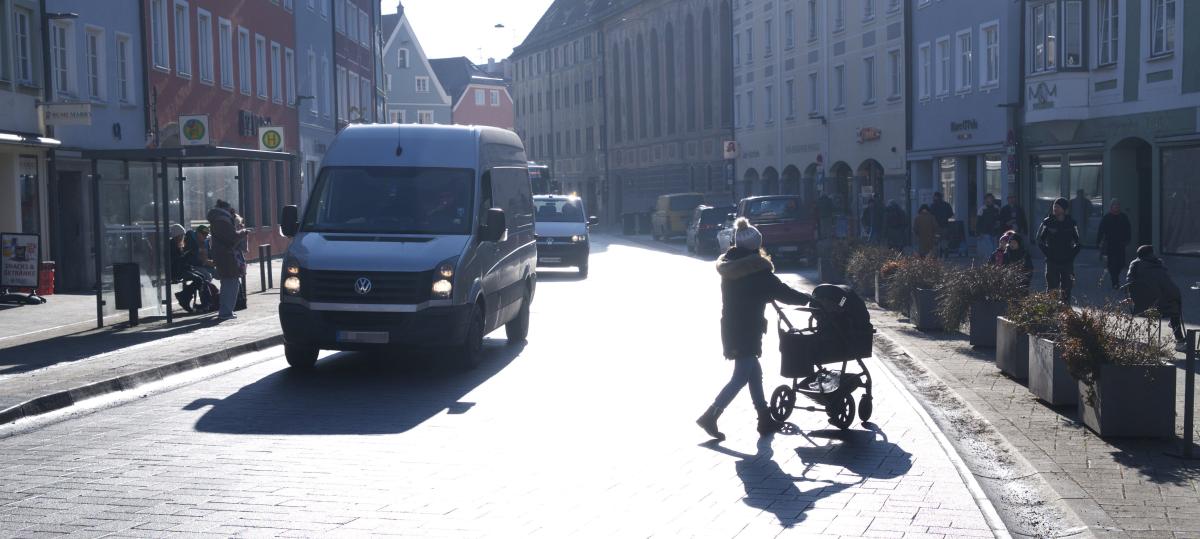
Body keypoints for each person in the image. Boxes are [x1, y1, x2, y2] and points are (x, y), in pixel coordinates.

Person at [698, 219, 814, 440]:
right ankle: (711, 415)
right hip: (748, 330)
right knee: (741, 376)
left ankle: (764, 418)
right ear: (756, 246)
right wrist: (808, 299)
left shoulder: (730, 266)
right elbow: (783, 292)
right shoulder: (756, 270)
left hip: (732, 327)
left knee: (754, 372)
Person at [1126, 245, 1186, 346]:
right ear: (1150, 254)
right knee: (1175, 305)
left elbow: (1129, 285)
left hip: (1138, 307)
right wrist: (1178, 297)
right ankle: (1179, 341)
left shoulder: (1134, 267)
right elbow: (1171, 289)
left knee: (1167, 300)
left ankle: (1175, 327)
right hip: (1156, 307)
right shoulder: (1156, 268)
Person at [207, 200, 248, 321]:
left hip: (223, 255)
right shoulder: (222, 220)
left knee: (228, 283)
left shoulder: (218, 219)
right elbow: (231, 238)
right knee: (230, 283)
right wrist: (243, 232)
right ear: (225, 208)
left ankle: (226, 310)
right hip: (227, 255)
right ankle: (226, 311)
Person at [1036, 198, 1082, 304]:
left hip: (1067, 262)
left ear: (1064, 209)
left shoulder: (1071, 223)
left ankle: (1066, 312)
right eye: (1054, 206)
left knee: (1067, 288)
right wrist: (1048, 253)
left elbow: (1079, 241)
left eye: (1058, 206)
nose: (1055, 208)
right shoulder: (1047, 222)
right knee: (1052, 289)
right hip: (1052, 261)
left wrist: (1072, 254)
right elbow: (1039, 239)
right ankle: (1051, 312)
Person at [1095, 199, 1132, 290]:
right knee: (1112, 264)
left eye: (1117, 205)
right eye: (1114, 205)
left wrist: (1127, 240)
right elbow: (1101, 230)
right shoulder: (1107, 217)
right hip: (1110, 244)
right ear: (1111, 207)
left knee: (1121, 263)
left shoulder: (1123, 217)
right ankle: (1115, 282)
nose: (1116, 207)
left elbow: (1128, 229)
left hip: (1120, 244)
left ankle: (1116, 276)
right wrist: (1098, 242)